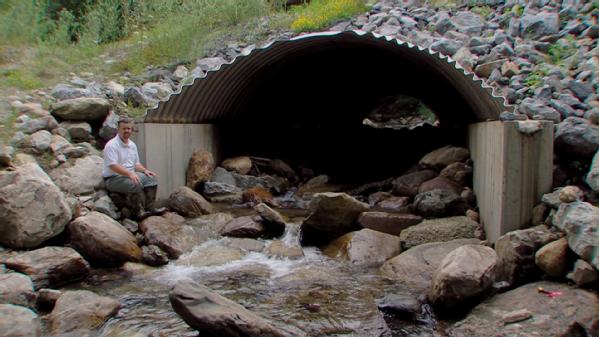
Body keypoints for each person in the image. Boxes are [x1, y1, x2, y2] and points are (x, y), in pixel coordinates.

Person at [102, 116, 162, 219]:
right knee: (135, 183)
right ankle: (137, 212)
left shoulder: (132, 145)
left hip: (129, 175)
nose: (127, 131)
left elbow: (136, 164)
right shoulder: (111, 145)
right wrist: (129, 174)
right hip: (113, 179)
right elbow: (113, 165)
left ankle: (150, 208)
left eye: (129, 128)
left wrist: (145, 170)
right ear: (118, 129)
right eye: (124, 128)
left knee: (152, 179)